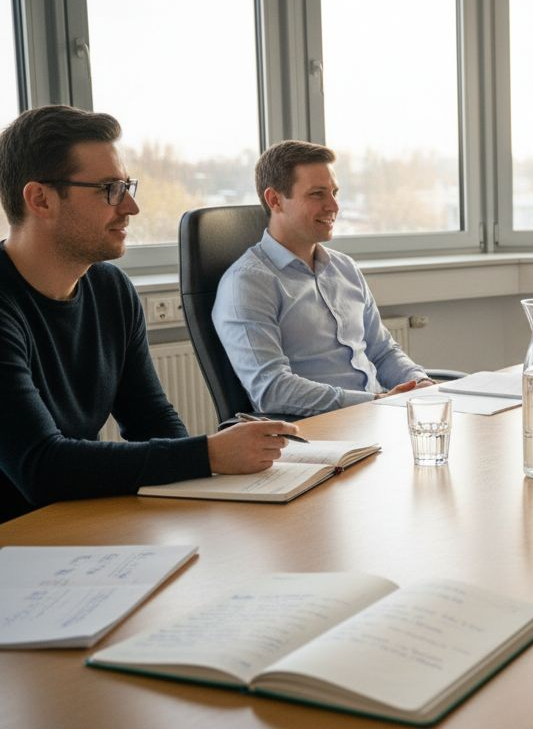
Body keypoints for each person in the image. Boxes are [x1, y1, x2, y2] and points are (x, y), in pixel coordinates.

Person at [0, 106, 296, 523]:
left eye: (127, 186)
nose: (131, 207)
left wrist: (203, 490)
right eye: (109, 189)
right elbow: (40, 467)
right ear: (40, 199)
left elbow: (151, 419)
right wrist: (209, 454)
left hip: (77, 525)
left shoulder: (111, 290)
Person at [214, 141, 433, 416]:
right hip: (318, 436)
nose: (334, 206)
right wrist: (374, 401)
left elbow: (383, 351)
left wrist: (419, 383)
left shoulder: (345, 268)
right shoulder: (247, 284)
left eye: (334, 192)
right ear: (275, 200)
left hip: (379, 416)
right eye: (317, 194)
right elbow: (272, 389)